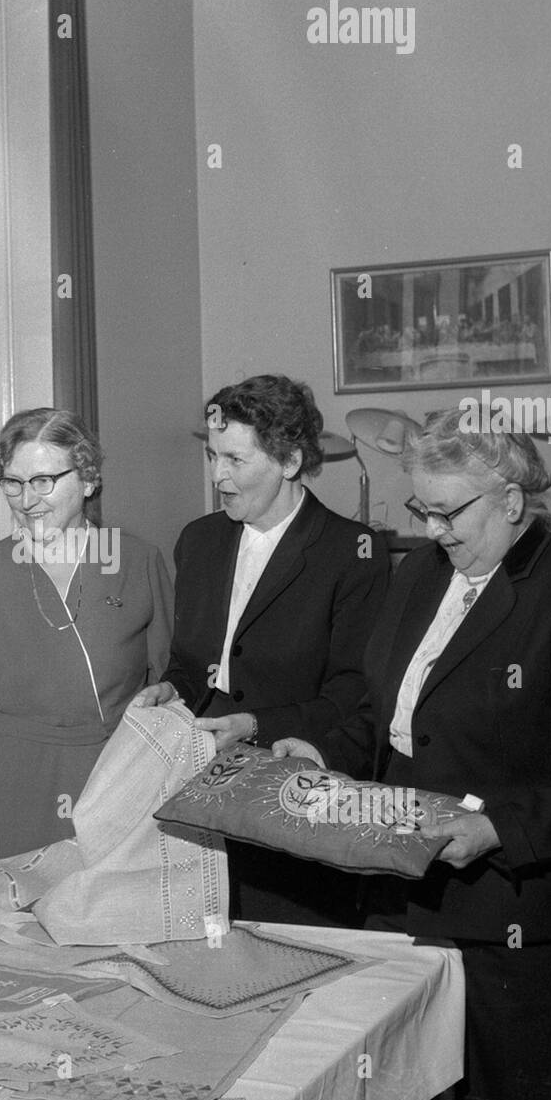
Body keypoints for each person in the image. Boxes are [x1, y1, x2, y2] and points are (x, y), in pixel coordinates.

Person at [276, 406, 551, 1100]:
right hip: (407, 897)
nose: (435, 529)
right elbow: (386, 715)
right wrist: (322, 751)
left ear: (513, 500)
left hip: (523, 914)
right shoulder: (420, 575)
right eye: (422, 509)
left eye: (451, 511)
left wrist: (494, 827)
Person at [132, 374, 389, 925]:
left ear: (290, 461)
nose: (217, 476)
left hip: (291, 793)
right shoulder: (199, 540)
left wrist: (252, 725)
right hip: (200, 792)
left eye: (236, 460)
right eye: (211, 455)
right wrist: (171, 688)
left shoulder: (353, 553)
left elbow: (353, 696)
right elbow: (193, 663)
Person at [0, 407, 172, 872]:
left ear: (89, 479)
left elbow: (166, 680)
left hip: (117, 788)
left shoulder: (137, 561)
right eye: (12, 482)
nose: (26, 499)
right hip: (12, 795)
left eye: (44, 481)